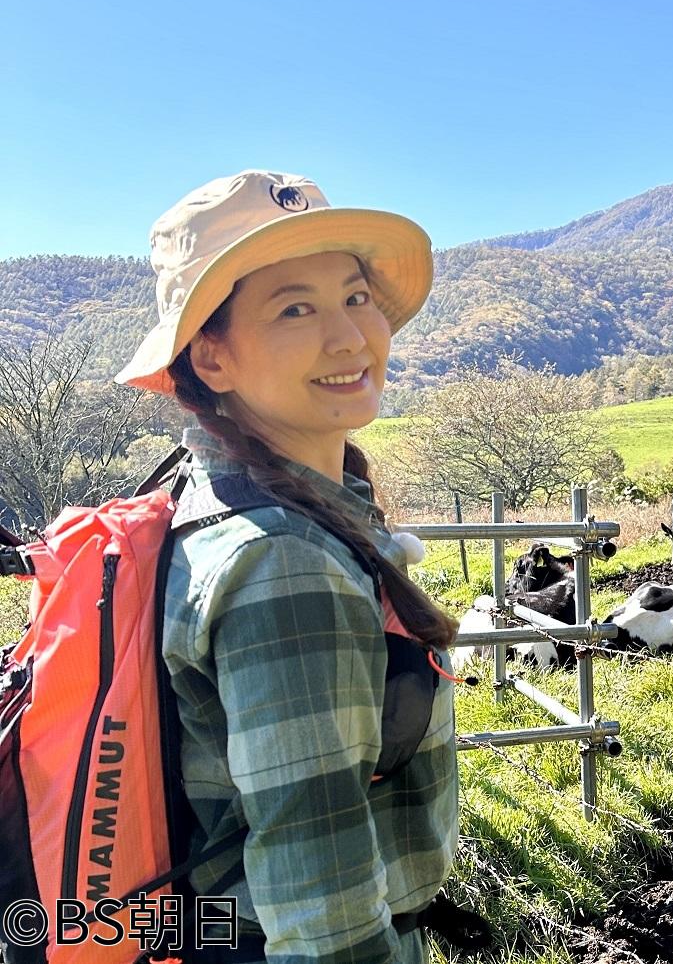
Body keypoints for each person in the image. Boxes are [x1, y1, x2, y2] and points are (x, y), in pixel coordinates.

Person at [116, 170, 463, 963]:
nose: (350, 337)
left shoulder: (208, 494)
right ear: (211, 357)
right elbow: (322, 909)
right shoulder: (283, 562)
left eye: (355, 296)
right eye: (295, 309)